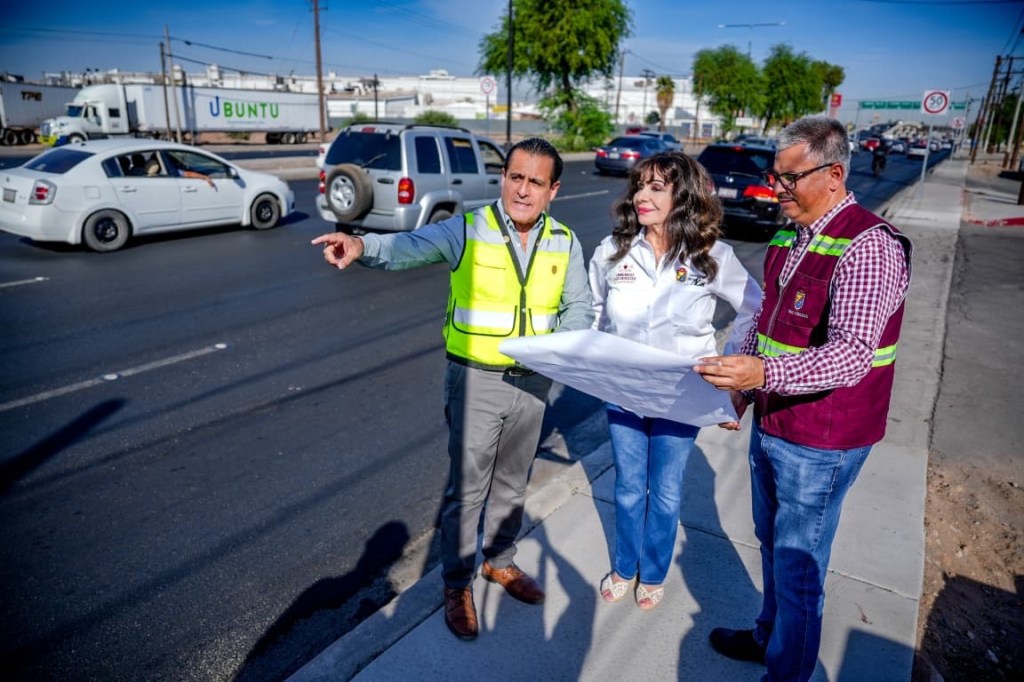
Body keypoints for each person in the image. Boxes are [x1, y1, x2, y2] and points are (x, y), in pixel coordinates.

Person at [311, 138, 593, 641]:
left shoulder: (565, 241)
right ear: (503, 177)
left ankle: (500, 561)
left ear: (553, 189)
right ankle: (457, 583)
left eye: (535, 182)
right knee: (467, 491)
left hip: (534, 382)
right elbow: (407, 247)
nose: (522, 190)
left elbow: (578, 308)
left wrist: (567, 352)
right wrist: (360, 246)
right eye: (515, 177)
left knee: (513, 482)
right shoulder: (470, 228)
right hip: (476, 379)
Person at [695, 116, 912, 681]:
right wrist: (742, 386)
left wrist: (759, 373)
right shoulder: (791, 233)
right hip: (776, 420)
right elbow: (767, 319)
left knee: (799, 565)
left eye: (790, 178)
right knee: (772, 543)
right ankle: (772, 637)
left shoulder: (869, 247)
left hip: (824, 438)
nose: (777, 190)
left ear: (834, 174)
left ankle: (787, 672)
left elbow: (850, 355)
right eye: (775, 177)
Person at [589, 152, 762, 610]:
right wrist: (591, 359)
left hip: (681, 394)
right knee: (628, 485)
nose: (642, 196)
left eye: (656, 188)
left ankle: (654, 569)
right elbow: (593, 313)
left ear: (681, 196)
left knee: (664, 490)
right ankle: (626, 566)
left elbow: (755, 309)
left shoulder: (711, 256)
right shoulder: (612, 251)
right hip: (624, 391)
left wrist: (731, 366)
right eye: (639, 186)